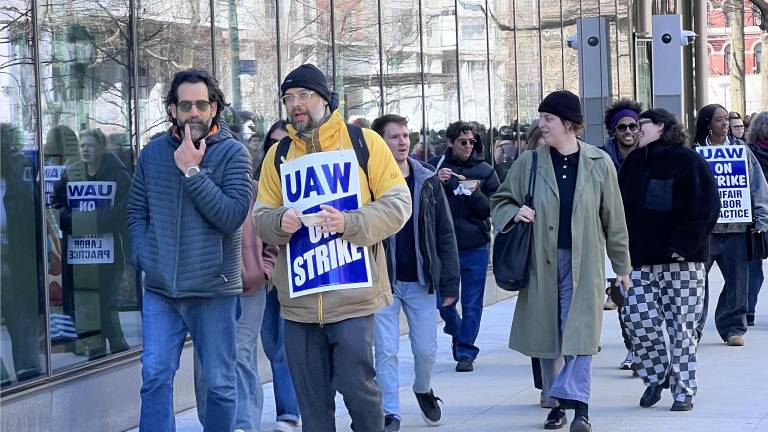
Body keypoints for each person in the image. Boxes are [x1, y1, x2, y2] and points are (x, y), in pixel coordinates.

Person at [253, 63, 411, 432]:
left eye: (303, 95)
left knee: (360, 392)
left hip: (353, 296)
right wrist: (280, 222)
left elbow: (398, 204)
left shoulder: (363, 142)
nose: (296, 104)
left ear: (324, 98)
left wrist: (350, 222)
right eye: (289, 98)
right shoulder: (278, 156)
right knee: (312, 405)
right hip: (299, 305)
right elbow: (260, 216)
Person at [491, 90, 631, 432]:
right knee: (548, 334)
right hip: (541, 261)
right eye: (542, 118)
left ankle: (579, 408)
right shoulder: (530, 163)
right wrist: (515, 211)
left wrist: (622, 267)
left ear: (569, 124)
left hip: (585, 264)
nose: (542, 124)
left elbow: (615, 220)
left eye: (548, 118)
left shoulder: (599, 163)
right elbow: (500, 200)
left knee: (580, 333)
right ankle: (556, 402)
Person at [127, 68, 253, 432]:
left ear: (214, 108)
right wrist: (144, 256)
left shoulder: (234, 155)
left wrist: (193, 172)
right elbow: (137, 212)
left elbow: (231, 218)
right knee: (154, 376)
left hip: (214, 291)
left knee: (219, 384)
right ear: (173, 110)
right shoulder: (152, 154)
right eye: (186, 105)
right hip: (162, 290)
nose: (193, 113)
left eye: (201, 104)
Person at [619, 108, 720, 412]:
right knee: (637, 320)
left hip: (683, 261)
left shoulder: (688, 160)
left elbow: (706, 207)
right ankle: (657, 374)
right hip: (640, 260)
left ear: (660, 127)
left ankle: (684, 390)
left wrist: (684, 245)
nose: (635, 130)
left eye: (641, 125)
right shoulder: (633, 163)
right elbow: (619, 209)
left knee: (682, 328)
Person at [371, 114, 460, 431]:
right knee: (385, 351)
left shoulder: (427, 180)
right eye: (394, 137)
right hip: (385, 283)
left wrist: (450, 282)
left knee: (426, 350)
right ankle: (390, 411)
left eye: (405, 135)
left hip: (422, 283)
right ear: (380, 143)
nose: (402, 141)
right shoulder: (371, 181)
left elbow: (444, 233)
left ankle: (423, 389)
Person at [193, 140, 279, 432]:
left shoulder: (257, 190)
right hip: (208, 290)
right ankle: (214, 423)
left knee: (242, 354)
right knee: (207, 360)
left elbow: (274, 235)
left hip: (250, 287)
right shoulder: (203, 187)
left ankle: (245, 425)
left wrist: (265, 270)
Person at [692, 104, 768, 347]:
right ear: (707, 124)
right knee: (696, 283)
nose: (725, 124)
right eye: (719, 120)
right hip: (705, 231)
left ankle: (733, 327)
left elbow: (758, 186)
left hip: (737, 228)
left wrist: (761, 218)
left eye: (726, 119)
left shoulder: (741, 151)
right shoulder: (695, 153)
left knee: (738, 283)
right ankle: (693, 328)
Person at [53, 128, 132, 358]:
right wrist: (74, 221)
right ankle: (99, 349)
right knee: (90, 301)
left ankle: (116, 348)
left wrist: (89, 221)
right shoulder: (71, 173)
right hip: (82, 253)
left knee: (106, 300)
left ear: (100, 148)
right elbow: (57, 204)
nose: (85, 149)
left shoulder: (118, 174)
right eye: (82, 146)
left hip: (110, 251)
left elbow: (123, 210)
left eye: (90, 145)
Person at [428, 121, 500, 373]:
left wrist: (472, 191)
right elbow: (425, 203)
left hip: (476, 245)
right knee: (443, 302)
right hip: (444, 247)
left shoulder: (485, 170)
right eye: (463, 142)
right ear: (450, 143)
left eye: (472, 142)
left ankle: (466, 351)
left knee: (472, 302)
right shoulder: (436, 167)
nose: (468, 146)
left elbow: (492, 208)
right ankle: (457, 331)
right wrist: (438, 182)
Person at [257, 120, 303, 432]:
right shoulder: (258, 179)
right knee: (272, 344)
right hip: (259, 276)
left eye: (283, 143)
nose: (278, 149)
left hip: (293, 273)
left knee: (285, 347)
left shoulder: (304, 180)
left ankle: (288, 413)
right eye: (272, 143)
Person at [598, 98, 643, 370]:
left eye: (632, 126)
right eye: (622, 127)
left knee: (640, 298)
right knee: (622, 296)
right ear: (613, 131)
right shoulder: (601, 159)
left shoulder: (649, 155)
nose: (628, 132)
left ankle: (641, 349)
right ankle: (633, 349)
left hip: (644, 236)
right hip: (612, 236)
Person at [746, 112, 768, 327]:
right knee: (753, 268)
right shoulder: (750, 153)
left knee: (754, 268)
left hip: (757, 215)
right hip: (759, 216)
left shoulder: (750, 152)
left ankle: (748, 310)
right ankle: (748, 310)